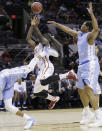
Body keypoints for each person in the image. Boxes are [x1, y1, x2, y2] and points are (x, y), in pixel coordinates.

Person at [48, 2, 102, 127]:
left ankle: (99, 116)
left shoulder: (90, 36)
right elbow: (68, 30)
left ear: (87, 28)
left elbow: (96, 29)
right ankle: (87, 112)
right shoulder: (80, 34)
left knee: (89, 89)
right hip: (82, 65)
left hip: (90, 64)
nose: (81, 25)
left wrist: (92, 14)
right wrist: (57, 24)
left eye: (83, 25)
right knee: (81, 90)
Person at [26, 16, 78, 109]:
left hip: (47, 66)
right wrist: (31, 26)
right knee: (37, 92)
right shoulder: (35, 46)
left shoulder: (45, 43)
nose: (40, 38)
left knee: (42, 82)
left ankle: (67, 74)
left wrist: (36, 27)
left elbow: (39, 36)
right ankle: (53, 98)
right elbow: (28, 39)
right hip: (42, 69)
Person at [0, 52, 46, 130]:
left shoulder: (3, 79)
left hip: (10, 75)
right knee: (8, 106)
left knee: (30, 67)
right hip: (7, 85)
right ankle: (30, 119)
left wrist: (41, 54)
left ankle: (43, 52)